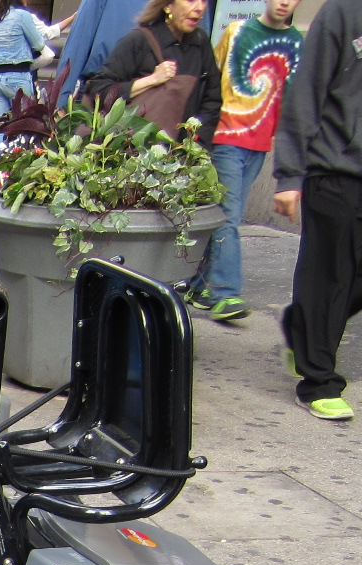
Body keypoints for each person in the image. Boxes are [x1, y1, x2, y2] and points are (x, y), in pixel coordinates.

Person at [184, 0, 302, 324]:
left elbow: (293, 102)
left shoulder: (296, 43)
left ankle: (198, 285)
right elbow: (209, 80)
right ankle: (225, 292)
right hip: (226, 138)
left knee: (223, 214)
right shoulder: (236, 32)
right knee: (228, 215)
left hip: (259, 145)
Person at [273, 0, 362, 420]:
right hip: (334, 168)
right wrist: (290, 175)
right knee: (329, 275)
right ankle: (318, 382)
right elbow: (306, 92)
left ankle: (303, 327)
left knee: (343, 282)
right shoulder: (342, 12)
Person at [83, 0, 220, 143]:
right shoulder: (139, 40)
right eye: (190, 0)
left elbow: (213, 99)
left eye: (203, 1)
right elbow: (100, 89)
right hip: (135, 150)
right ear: (167, 6)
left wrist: (196, 142)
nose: (199, 8)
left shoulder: (200, 42)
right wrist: (151, 80)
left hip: (184, 151)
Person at [0, 0, 46, 167]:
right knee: (25, 123)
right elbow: (39, 44)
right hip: (18, 77)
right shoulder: (22, 16)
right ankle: (21, 166)